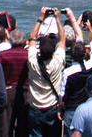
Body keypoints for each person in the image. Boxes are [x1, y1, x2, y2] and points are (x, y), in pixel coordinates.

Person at [26, 9, 65, 137]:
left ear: (39, 51)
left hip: (35, 107)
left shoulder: (33, 62)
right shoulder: (57, 61)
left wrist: (40, 18)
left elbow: (32, 38)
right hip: (52, 107)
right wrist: (58, 18)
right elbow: (62, 39)